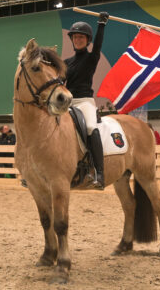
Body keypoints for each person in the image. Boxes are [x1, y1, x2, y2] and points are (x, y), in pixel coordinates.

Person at [64, 11, 109, 189]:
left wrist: (101, 25)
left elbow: (98, 45)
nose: (78, 39)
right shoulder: (66, 62)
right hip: (68, 102)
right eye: (75, 37)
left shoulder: (92, 58)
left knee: (90, 127)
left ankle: (99, 173)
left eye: (81, 37)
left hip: (84, 102)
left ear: (88, 40)